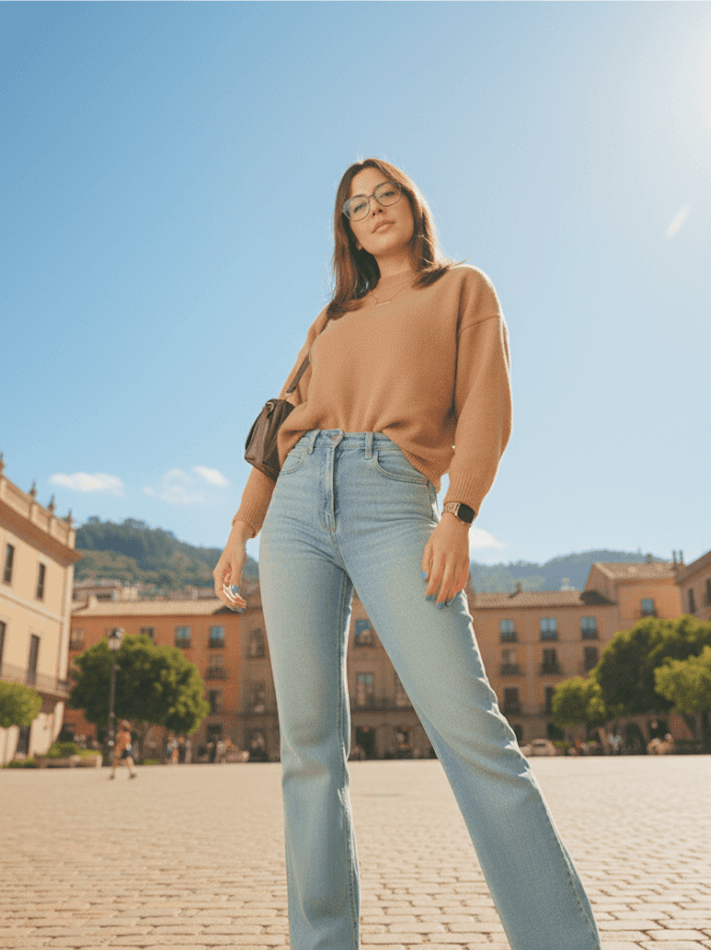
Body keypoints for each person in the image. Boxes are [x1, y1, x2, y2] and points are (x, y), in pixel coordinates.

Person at [213, 158, 601, 950]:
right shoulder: (330, 317)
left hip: (395, 496)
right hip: (293, 510)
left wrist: (459, 513)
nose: (372, 209)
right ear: (346, 228)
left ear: (412, 204)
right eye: (356, 205)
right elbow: (279, 420)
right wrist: (239, 528)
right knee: (308, 750)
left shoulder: (462, 288)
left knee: (474, 735)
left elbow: (489, 404)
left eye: (383, 194)